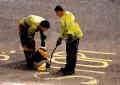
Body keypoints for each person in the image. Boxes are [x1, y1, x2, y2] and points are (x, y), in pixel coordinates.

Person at [54, 6, 83, 75]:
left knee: (72, 54)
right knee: (69, 53)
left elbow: (70, 26)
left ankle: (71, 70)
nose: (56, 14)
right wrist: (60, 38)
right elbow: (64, 29)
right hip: (69, 38)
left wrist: (70, 35)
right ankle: (68, 67)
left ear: (60, 11)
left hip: (74, 37)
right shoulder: (63, 17)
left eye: (56, 13)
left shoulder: (68, 15)